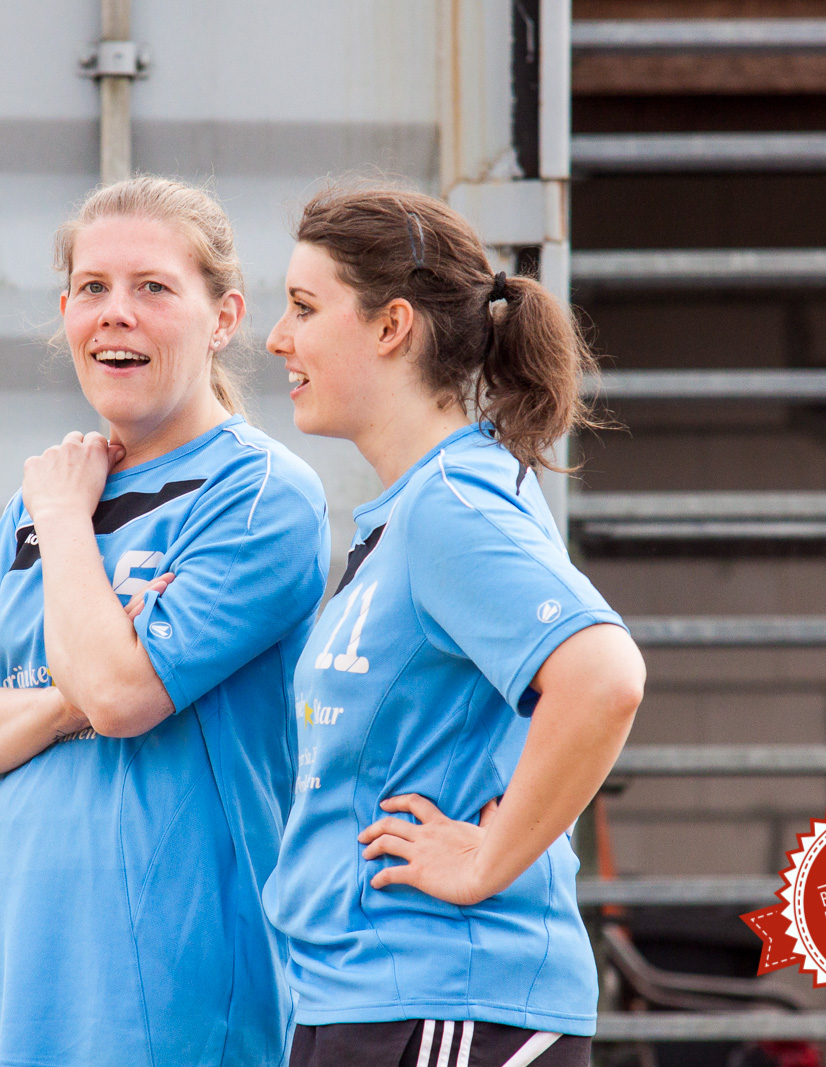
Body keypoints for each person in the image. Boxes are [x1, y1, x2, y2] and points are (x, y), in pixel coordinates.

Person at [0, 176, 330, 1067]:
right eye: (94, 288)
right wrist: (64, 701)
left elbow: (119, 695)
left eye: (153, 288)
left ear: (223, 317)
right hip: (16, 983)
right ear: (65, 311)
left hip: (171, 993)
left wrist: (67, 526)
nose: (117, 314)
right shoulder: (38, 502)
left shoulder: (259, 495)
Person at [261, 184, 646, 1067]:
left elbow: (604, 677)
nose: (279, 337)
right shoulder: (405, 512)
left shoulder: (452, 505)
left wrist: (484, 860)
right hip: (366, 999)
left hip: (449, 1004)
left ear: (392, 326)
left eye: (305, 307)